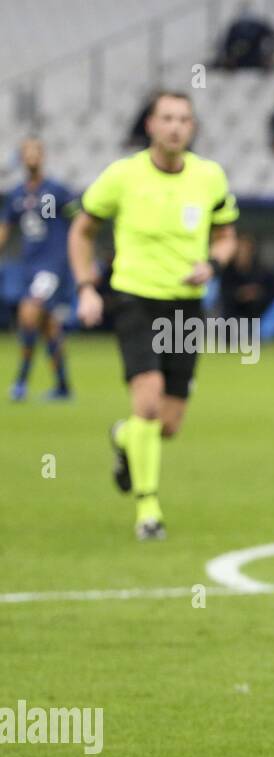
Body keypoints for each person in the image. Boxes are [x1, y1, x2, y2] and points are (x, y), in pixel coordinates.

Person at [68, 91, 239, 540]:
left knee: (167, 424)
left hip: (184, 306)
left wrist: (213, 264)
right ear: (150, 125)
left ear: (192, 127)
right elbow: (82, 230)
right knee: (146, 398)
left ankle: (125, 437)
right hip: (133, 299)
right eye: (166, 117)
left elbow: (225, 237)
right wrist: (86, 286)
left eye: (184, 118)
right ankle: (149, 511)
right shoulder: (122, 176)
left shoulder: (208, 177)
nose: (176, 126)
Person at [2, 138, 76, 402]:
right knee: (48, 327)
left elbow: (81, 220)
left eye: (36, 151)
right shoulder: (16, 195)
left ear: (43, 156)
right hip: (29, 266)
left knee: (29, 312)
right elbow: (5, 229)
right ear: (22, 158)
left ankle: (20, 382)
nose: (32, 156)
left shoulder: (57, 191)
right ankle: (63, 386)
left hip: (51, 266)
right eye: (27, 152)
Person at [220, 233, 274, 320]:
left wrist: (258, 294)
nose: (242, 253)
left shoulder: (263, 272)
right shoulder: (228, 272)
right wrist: (240, 294)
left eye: (246, 250)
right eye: (239, 250)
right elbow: (224, 294)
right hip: (233, 315)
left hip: (260, 315)